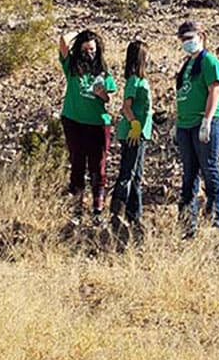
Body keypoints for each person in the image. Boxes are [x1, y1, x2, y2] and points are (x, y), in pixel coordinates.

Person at [57, 30, 118, 223]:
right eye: (84, 49)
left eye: (91, 49)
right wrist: (81, 32)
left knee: (97, 166)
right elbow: (63, 41)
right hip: (73, 120)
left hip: (97, 123)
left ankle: (97, 209)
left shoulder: (103, 72)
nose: (88, 53)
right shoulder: (72, 67)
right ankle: (76, 209)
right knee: (77, 164)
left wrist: (102, 94)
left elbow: (110, 98)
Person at [174, 20, 219, 239]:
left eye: (190, 38)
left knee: (209, 168)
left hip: (203, 123)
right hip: (185, 125)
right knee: (189, 175)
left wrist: (207, 120)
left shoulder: (210, 62)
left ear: (201, 36)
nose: (187, 43)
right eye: (183, 39)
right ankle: (188, 224)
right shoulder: (187, 65)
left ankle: (215, 218)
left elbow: (215, 90)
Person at [110, 40, 152, 238]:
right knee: (127, 173)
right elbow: (126, 107)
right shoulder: (134, 81)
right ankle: (116, 213)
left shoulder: (140, 81)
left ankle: (134, 215)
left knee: (136, 176)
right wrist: (134, 123)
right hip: (133, 133)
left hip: (141, 132)